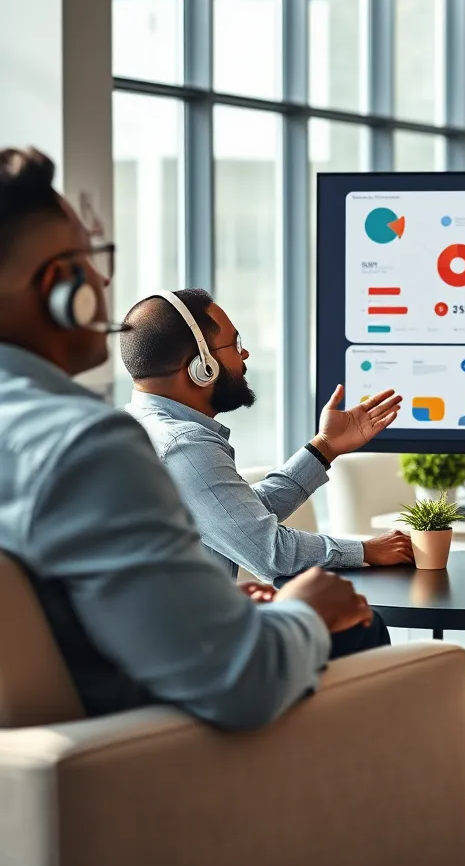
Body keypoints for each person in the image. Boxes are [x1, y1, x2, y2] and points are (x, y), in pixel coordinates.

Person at [0, 147, 374, 729]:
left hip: (55, 744)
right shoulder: (87, 446)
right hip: (146, 742)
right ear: (58, 284)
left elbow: (225, 524)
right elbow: (241, 681)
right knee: (361, 626)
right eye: (92, 259)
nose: (102, 278)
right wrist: (302, 610)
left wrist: (321, 450)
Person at [120, 290, 414, 595]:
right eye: (234, 344)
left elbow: (238, 518)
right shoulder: (186, 445)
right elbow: (270, 552)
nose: (244, 354)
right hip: (191, 639)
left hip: (171, 631)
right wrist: (365, 551)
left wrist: (325, 447)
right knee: (363, 625)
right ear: (201, 366)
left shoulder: (139, 427)